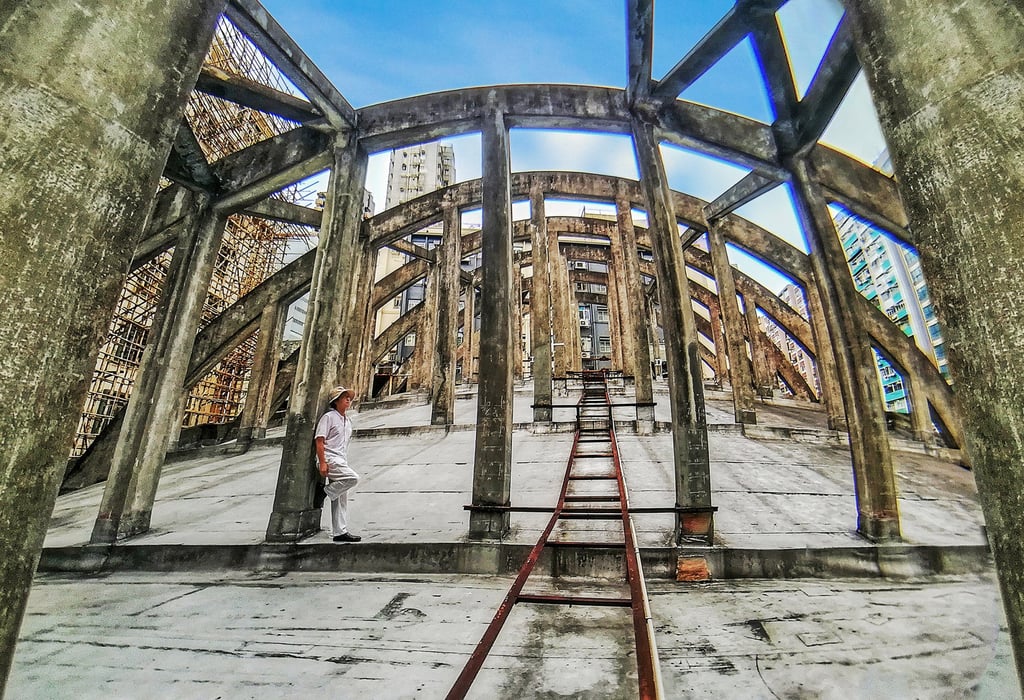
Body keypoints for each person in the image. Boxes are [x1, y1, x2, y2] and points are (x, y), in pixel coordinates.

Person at [315, 385, 362, 542]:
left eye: (348, 397)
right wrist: (322, 462)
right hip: (329, 458)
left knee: (341, 497)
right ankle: (324, 492)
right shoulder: (329, 417)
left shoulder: (347, 421)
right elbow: (320, 440)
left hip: (341, 459)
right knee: (353, 478)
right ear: (336, 401)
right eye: (344, 397)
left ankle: (339, 532)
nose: (348, 399)